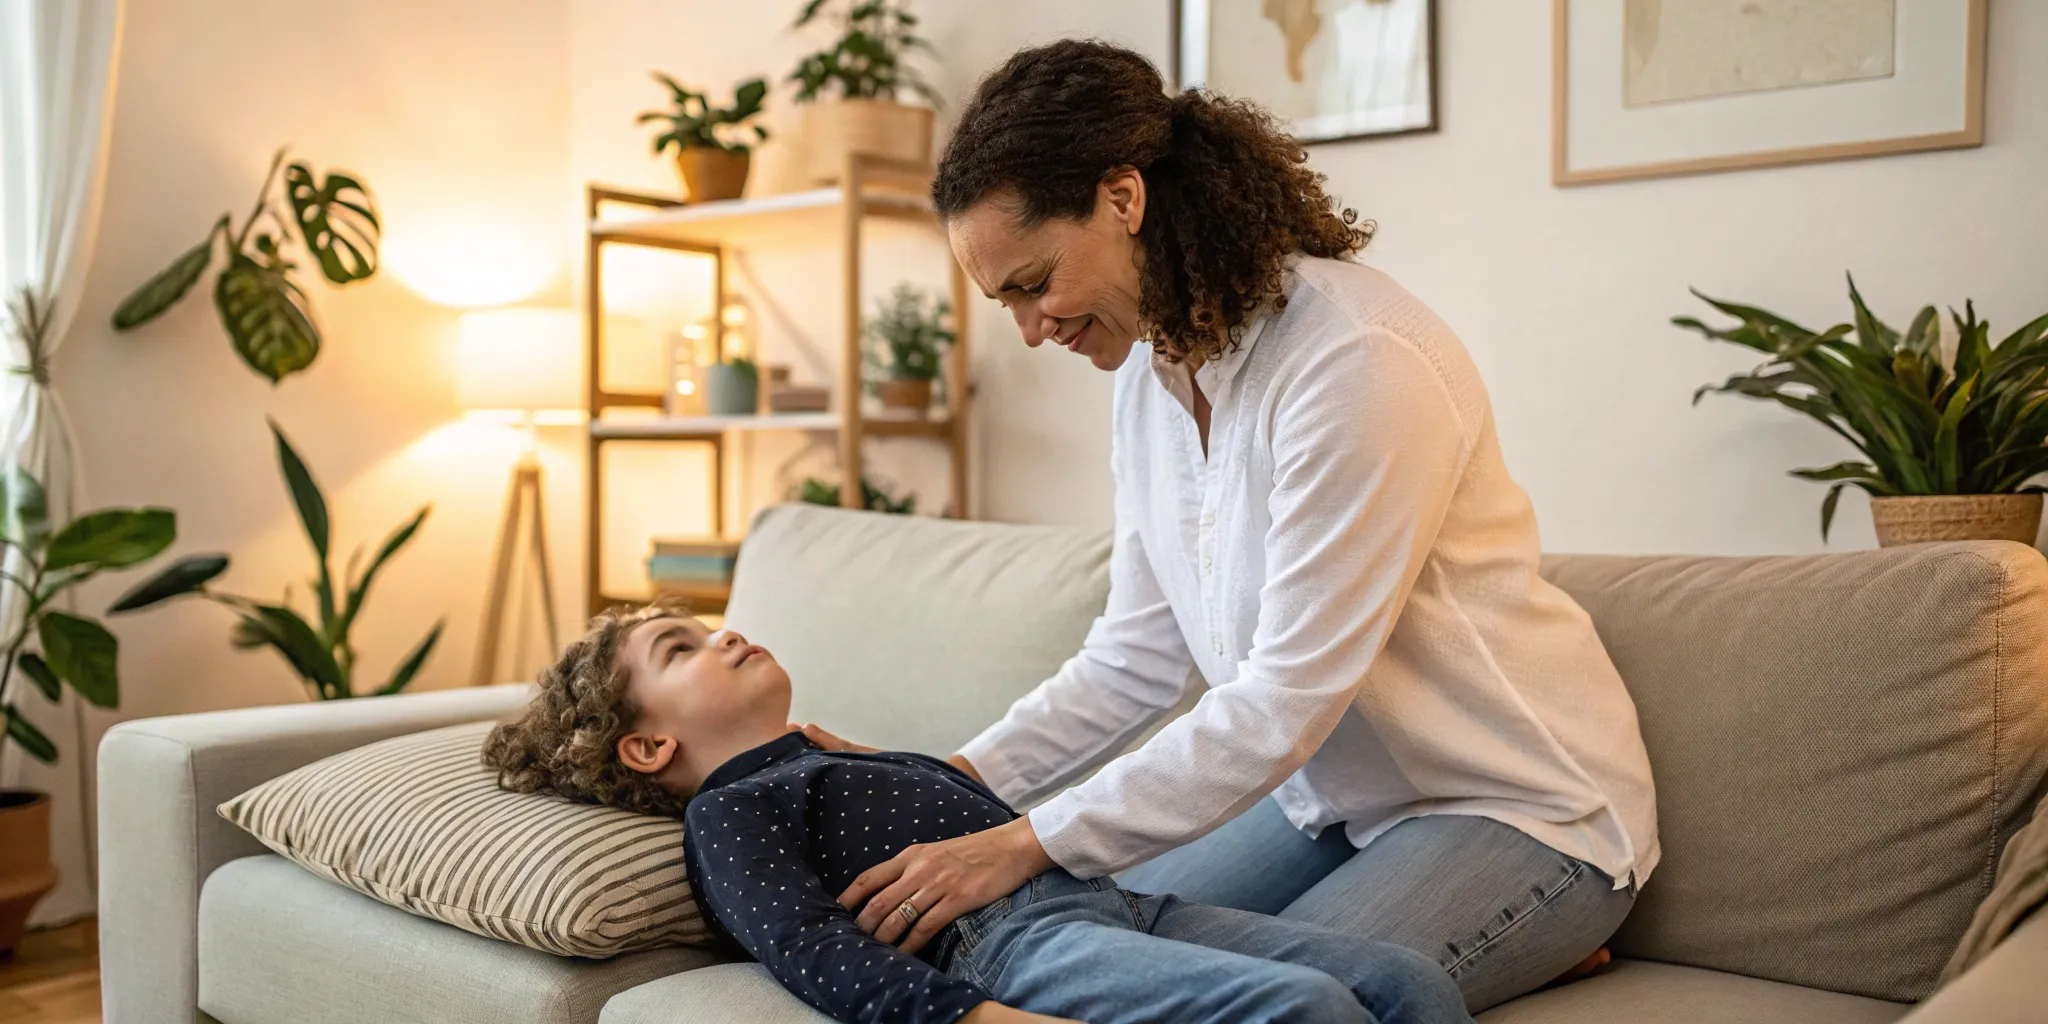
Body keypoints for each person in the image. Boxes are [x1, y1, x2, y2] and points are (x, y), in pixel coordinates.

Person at [802, 39, 1660, 1014]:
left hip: (1515, 807)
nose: (1030, 330)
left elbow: (1281, 701)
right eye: (1004, 300)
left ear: (1122, 199)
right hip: (1319, 806)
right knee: (1067, 941)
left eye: (1035, 282)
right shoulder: (1145, 374)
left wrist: (1019, 838)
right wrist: (942, 781)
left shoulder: (1356, 362)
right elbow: (1134, 657)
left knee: (1230, 999)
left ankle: (1548, 923)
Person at [482, 603, 1474, 1024]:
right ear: (648, 747)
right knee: (1300, 1010)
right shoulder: (730, 812)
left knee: (1402, 977)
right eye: (679, 649)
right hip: (1008, 944)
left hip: (1112, 902)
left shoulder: (829, 760)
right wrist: (970, 1016)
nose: (725, 631)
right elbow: (802, 941)